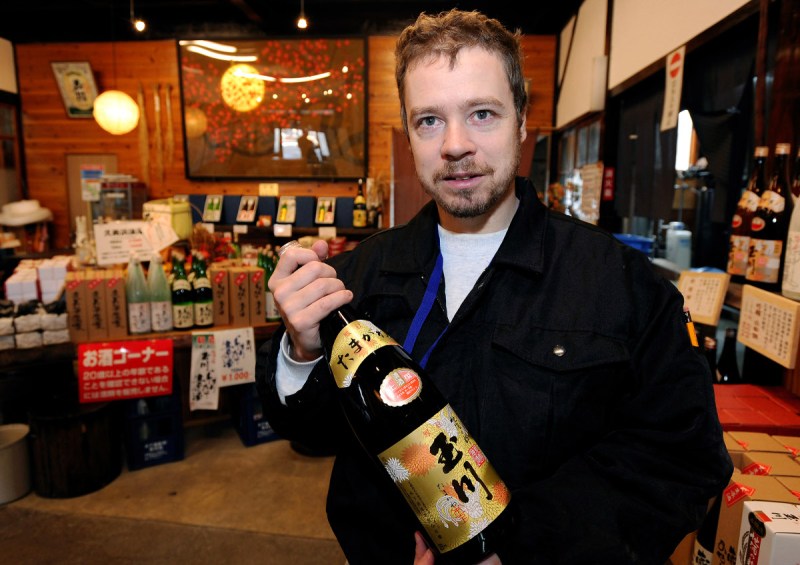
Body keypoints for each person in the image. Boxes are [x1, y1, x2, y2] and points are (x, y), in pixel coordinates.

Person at [256, 9, 733, 564]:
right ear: (410, 134)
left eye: (482, 113)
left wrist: (516, 547)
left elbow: (678, 460)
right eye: (429, 120)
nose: (455, 145)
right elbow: (312, 437)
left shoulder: (621, 286)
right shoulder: (359, 277)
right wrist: (300, 351)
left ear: (522, 120)